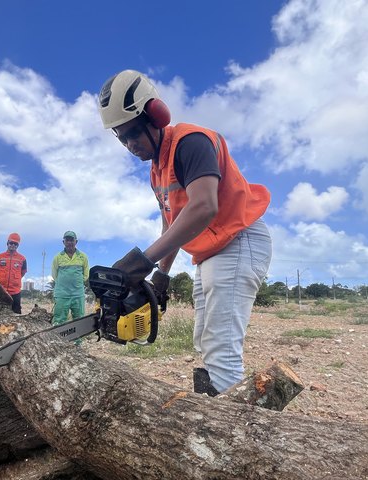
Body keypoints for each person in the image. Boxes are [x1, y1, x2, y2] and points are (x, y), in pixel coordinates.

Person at [98, 70, 272, 395]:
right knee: (204, 340)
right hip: (208, 253)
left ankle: (230, 433)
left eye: (133, 134)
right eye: (121, 138)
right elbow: (172, 223)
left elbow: (204, 207)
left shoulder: (190, 142)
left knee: (220, 345)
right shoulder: (157, 169)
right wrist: (160, 275)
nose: (129, 145)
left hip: (238, 240)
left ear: (156, 116)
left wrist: (142, 261)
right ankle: (211, 411)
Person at [51, 231, 89, 328]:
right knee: (59, 320)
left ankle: (77, 342)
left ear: (76, 241)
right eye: (67, 240)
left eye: (71, 240)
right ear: (63, 242)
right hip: (62, 295)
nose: (69, 242)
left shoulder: (83, 257)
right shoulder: (58, 257)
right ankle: (58, 342)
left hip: (78, 294)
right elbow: (54, 275)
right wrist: (63, 284)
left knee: (79, 319)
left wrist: (77, 282)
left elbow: (86, 274)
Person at [0, 233, 27, 314]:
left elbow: (23, 272)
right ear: (7, 243)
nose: (13, 245)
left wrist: (14, 280)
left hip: (15, 291)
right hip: (0, 291)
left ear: (18, 245)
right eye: (11, 243)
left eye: (16, 244)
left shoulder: (22, 259)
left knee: (16, 314)